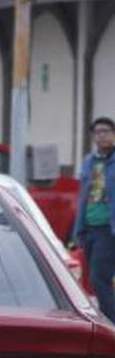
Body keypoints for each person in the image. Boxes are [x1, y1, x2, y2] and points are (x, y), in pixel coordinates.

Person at [72, 116, 115, 322]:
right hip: (89, 227)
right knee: (92, 280)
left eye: (105, 131)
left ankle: (111, 325)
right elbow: (82, 196)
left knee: (99, 279)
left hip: (109, 229)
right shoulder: (89, 161)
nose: (101, 135)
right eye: (97, 132)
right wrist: (77, 229)